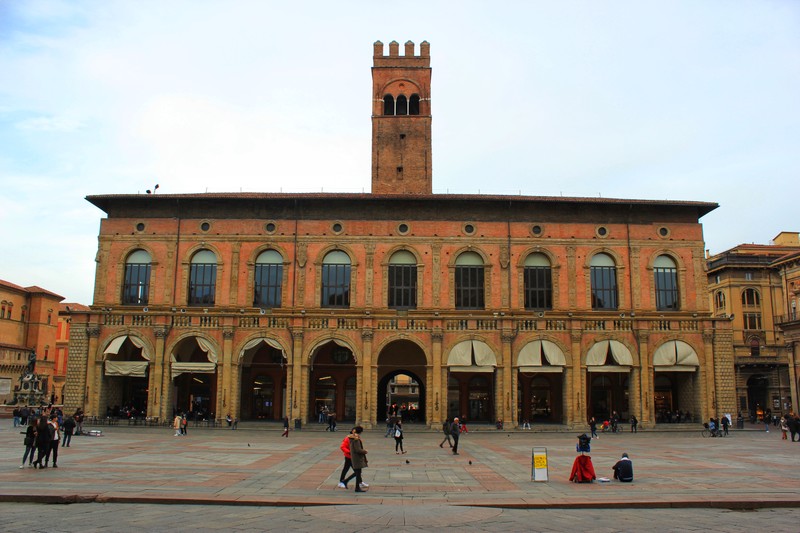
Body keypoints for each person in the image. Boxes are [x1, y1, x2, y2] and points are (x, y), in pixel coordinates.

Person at [343, 426, 369, 492]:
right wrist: (365, 451)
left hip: (354, 457)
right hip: (357, 457)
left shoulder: (351, 438)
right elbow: (358, 450)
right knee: (358, 472)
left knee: (357, 472)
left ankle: (347, 482)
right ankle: (355, 487)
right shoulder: (356, 439)